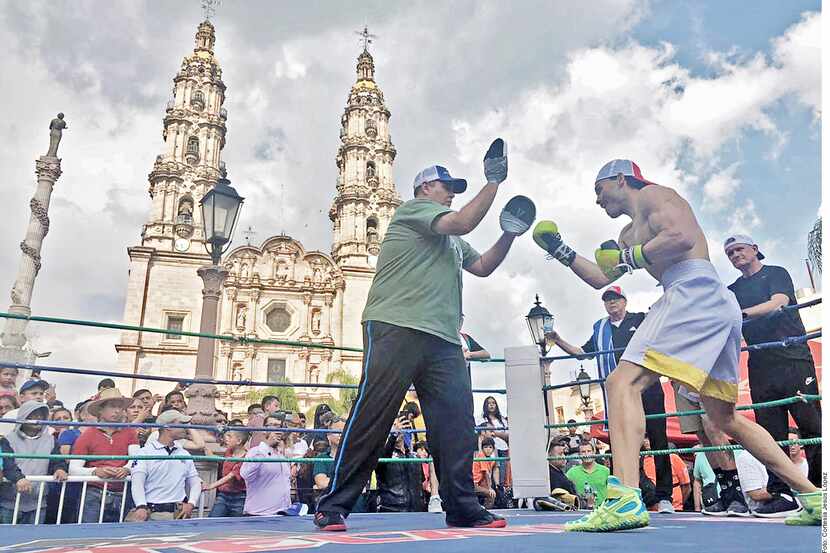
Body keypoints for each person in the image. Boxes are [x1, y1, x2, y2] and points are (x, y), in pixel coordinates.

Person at [532, 159, 820, 530]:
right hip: (710, 304)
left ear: (621, 179)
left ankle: (623, 500)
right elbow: (601, 278)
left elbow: (682, 236)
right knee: (724, 416)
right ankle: (813, 495)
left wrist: (629, 257)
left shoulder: (655, 196)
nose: (597, 200)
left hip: (693, 292)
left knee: (621, 383)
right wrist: (560, 249)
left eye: (599, 189)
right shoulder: (627, 234)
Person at [314, 141, 522, 531]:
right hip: (396, 324)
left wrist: (509, 234)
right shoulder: (412, 212)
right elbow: (461, 220)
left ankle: (461, 507)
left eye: (455, 190)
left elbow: (483, 266)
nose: (451, 194)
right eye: (447, 187)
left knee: (457, 423)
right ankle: (333, 505)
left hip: (442, 336)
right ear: (426, 188)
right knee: (374, 415)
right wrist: (493, 183)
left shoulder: (451, 239)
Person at [547, 285, 675, 513]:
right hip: (621, 393)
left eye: (615, 298)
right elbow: (582, 353)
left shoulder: (641, 319)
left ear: (625, 301)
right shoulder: (601, 329)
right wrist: (557, 340)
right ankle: (629, 492)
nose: (612, 302)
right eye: (607, 299)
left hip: (648, 386)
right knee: (624, 442)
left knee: (658, 440)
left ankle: (664, 496)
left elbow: (662, 338)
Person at [724, 234, 822, 512]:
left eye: (739, 249)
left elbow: (778, 303)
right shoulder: (731, 290)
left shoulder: (776, 273)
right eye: (730, 253)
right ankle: (782, 493)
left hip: (793, 357)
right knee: (770, 432)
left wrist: (741, 314)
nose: (735, 255)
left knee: (812, 425)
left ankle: (819, 489)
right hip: (759, 364)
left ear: (755, 249)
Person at [70, 388, 138, 522]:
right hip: (97, 492)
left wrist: (127, 469)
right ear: (101, 410)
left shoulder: (130, 433)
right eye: (112, 406)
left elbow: (136, 460)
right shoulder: (88, 435)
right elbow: (73, 469)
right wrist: (96, 471)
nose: (117, 410)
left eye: (120, 407)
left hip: (116, 493)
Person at [0, 401, 68, 524]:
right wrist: (18, 478)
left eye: (41, 415)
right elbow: (7, 463)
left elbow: (58, 461)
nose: (38, 418)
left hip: (38, 503)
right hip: (9, 502)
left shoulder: (51, 440)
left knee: (35, 541)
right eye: (33, 414)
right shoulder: (7, 439)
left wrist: (60, 469)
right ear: (23, 416)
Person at [128, 410, 201, 521]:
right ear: (168, 427)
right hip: (152, 512)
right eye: (181, 424)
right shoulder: (144, 453)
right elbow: (137, 482)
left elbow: (195, 482)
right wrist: (141, 506)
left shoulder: (184, 453)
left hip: (179, 513)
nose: (185, 428)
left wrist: (191, 503)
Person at [239, 429, 294, 516]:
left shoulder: (281, 456)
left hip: (282, 513)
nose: (278, 431)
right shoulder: (255, 451)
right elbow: (245, 475)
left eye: (279, 427)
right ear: (264, 431)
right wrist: (265, 449)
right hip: (259, 514)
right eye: (273, 426)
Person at [376, 415, 424, 512]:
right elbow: (381, 463)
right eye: (392, 426)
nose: (395, 428)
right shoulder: (382, 453)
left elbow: (421, 480)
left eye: (397, 425)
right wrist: (393, 436)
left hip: (416, 510)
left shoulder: (414, 455)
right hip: (391, 509)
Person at [204, 429, 248, 517]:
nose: (226, 439)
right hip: (223, 495)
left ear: (239, 441)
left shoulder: (246, 457)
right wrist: (204, 447)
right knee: (212, 520)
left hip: (239, 497)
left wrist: (211, 486)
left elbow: (231, 475)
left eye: (230, 436)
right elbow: (223, 461)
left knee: (236, 526)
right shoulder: (229, 452)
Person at [641, 437, 690, 511]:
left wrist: (678, 504)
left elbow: (686, 486)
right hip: (649, 509)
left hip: (674, 508)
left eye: (648, 437)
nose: (647, 441)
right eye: (645, 438)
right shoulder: (641, 460)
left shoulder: (673, 458)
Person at [565, 441, 610, 508]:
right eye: (583, 452)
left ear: (594, 452)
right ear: (579, 454)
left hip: (603, 511)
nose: (586, 454)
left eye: (589, 451)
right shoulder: (571, 473)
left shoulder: (605, 471)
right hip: (581, 511)